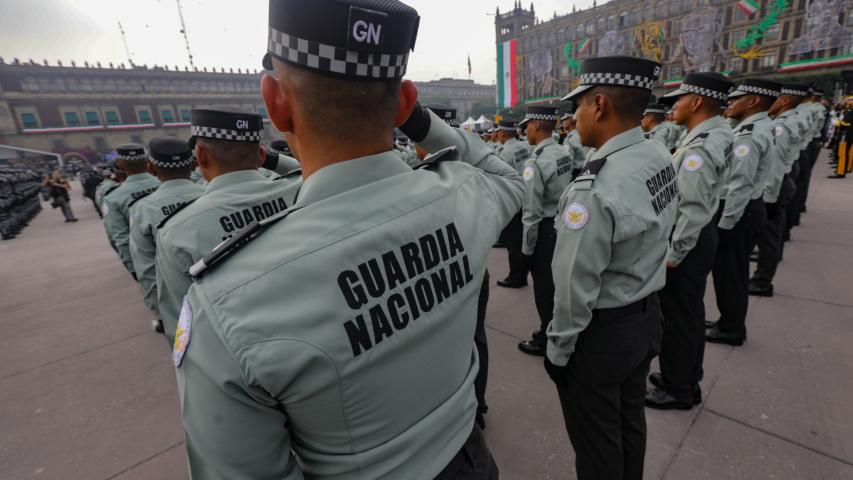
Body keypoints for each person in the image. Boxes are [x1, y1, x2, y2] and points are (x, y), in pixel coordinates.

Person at [174, 0, 522, 477]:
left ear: (276, 103)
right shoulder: (464, 196)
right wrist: (420, 124)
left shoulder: (227, 303)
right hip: (471, 456)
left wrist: (270, 159)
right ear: (403, 104)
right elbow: (505, 175)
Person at [544, 55, 676, 480]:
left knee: (597, 441)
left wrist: (559, 350)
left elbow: (572, 284)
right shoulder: (657, 152)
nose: (574, 116)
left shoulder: (593, 189)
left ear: (599, 105)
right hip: (645, 315)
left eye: (578, 105)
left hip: (602, 336)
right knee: (628, 424)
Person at [155, 106, 301, 346]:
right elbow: (306, 166)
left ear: (200, 155)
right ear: (261, 155)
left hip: (246, 352)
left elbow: (182, 328)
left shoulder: (177, 230)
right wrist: (271, 159)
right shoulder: (299, 185)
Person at [646, 72, 734, 410]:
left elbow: (692, 208)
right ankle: (684, 378)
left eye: (679, 100)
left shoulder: (699, 147)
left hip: (689, 239)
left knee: (679, 316)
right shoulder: (711, 135)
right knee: (689, 314)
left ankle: (678, 387)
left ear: (696, 102)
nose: (673, 107)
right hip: (698, 236)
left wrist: (674, 253)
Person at [706, 79, 781, 346]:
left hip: (739, 209)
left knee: (730, 273)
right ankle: (728, 320)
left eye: (736, 99)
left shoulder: (749, 134)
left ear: (753, 101)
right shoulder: (760, 126)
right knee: (732, 271)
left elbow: (739, 184)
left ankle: (731, 328)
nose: (730, 103)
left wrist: (725, 225)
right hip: (748, 207)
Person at [128, 137, 205, 335]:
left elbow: (146, 268)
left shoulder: (142, 210)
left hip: (180, 303)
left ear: (151, 168)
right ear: (193, 163)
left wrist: (160, 310)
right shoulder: (210, 193)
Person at [517, 105, 572, 356]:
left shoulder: (535, 162)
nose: (525, 130)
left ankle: (547, 337)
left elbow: (531, 212)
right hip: (563, 224)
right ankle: (553, 329)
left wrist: (526, 251)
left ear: (537, 125)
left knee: (544, 289)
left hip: (545, 230)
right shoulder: (562, 151)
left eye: (527, 124)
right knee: (558, 286)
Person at [748, 84, 810, 297]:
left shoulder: (781, 126)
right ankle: (765, 273)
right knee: (773, 233)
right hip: (784, 177)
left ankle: (762, 281)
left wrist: (770, 197)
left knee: (770, 234)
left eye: (775, 99)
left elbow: (773, 167)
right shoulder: (783, 122)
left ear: (783, 101)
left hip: (777, 182)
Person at [102, 145, 161, 280]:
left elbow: (121, 239)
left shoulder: (113, 197)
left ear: (120, 165)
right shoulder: (164, 183)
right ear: (148, 162)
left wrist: (134, 269)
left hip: (149, 264)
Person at [495, 118, 532, 289]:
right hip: (528, 196)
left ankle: (516, 276)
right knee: (521, 239)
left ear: (502, 133)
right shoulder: (524, 146)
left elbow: (501, 181)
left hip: (513, 200)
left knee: (513, 242)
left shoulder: (505, 153)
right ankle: (522, 273)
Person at [559, 108, 589, 178]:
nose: (562, 121)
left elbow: (568, 163)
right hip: (589, 171)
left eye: (565, 119)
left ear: (571, 119)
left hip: (576, 174)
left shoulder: (569, 139)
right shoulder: (584, 134)